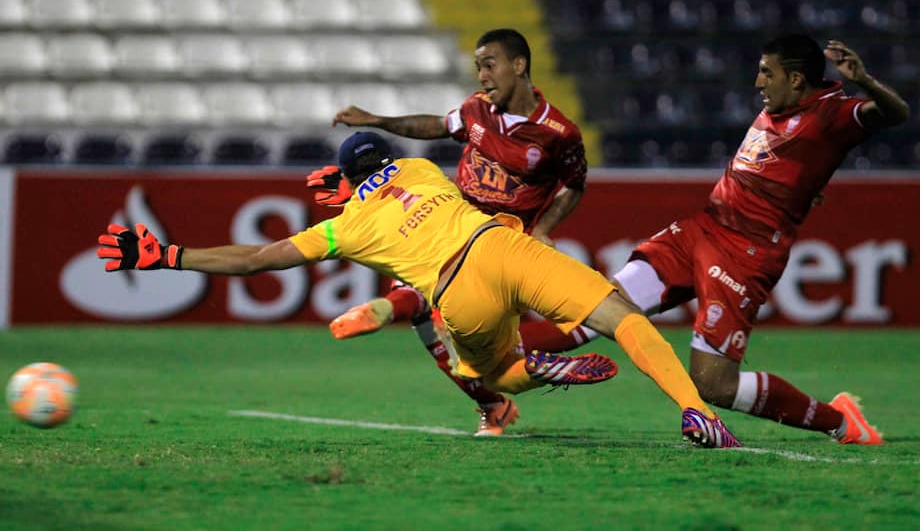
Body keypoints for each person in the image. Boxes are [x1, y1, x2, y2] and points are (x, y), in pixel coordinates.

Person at [97, 131, 741, 448]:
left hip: (459, 294)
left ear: (346, 183)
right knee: (624, 316)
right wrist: (353, 182)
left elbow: (256, 261)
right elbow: (383, 173)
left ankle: (535, 372)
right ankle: (699, 413)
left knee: (498, 376)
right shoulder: (420, 165)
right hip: (500, 244)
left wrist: (170, 255)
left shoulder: (342, 227)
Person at [610, 35, 910, 445]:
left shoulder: (830, 114)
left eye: (768, 72)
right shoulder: (780, 107)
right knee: (602, 300)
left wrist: (867, 81)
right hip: (708, 228)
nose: (757, 82)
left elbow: (896, 113)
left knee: (714, 385)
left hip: (747, 252)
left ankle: (840, 422)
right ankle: (501, 380)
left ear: (797, 79)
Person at [327, 28, 601, 435]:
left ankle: (391, 313)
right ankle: (496, 403)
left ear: (519, 65)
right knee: (447, 335)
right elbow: (437, 125)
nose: (481, 75)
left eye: (488, 65)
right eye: (477, 67)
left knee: (474, 346)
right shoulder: (477, 110)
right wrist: (378, 120)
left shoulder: (559, 133)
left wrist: (542, 228)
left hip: (502, 243)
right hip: (456, 225)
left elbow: (574, 184)